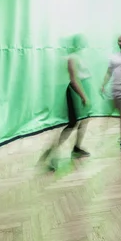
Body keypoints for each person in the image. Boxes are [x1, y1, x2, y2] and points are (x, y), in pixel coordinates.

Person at [39, 34, 92, 171]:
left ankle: (76, 148)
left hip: (81, 92)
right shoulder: (72, 58)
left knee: (84, 121)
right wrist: (84, 97)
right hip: (76, 93)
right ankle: (52, 154)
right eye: (79, 41)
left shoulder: (78, 56)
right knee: (72, 124)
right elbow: (74, 80)